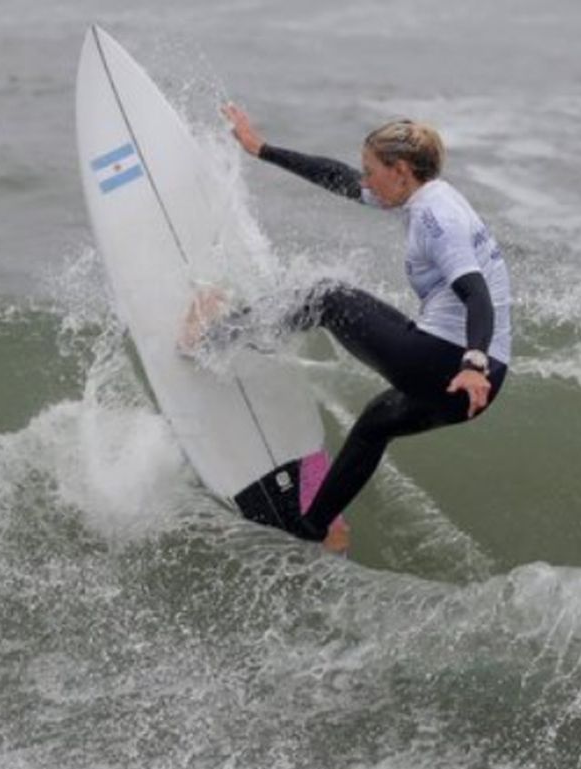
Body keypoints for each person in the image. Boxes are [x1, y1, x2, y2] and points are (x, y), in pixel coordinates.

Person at [204, 104, 512, 546]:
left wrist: (472, 364)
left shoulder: (436, 218)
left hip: (455, 367)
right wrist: (260, 148)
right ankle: (311, 527)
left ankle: (216, 337)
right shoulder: (425, 193)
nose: (364, 181)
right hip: (478, 384)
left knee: (328, 295)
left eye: (372, 172)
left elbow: (477, 295)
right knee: (376, 424)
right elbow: (340, 179)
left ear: (401, 170)